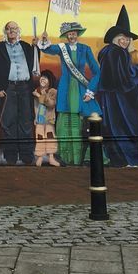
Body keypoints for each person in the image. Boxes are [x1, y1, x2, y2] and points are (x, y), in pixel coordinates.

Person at [96, 6, 138, 167]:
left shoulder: (110, 52)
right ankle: (126, 157)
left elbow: (122, 73)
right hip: (117, 98)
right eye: (122, 37)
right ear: (115, 38)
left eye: (127, 39)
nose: (125, 41)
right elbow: (124, 76)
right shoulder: (116, 52)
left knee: (115, 127)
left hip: (110, 96)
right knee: (121, 126)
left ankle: (119, 159)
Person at [36, 20, 101, 166]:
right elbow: (48, 49)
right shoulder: (61, 47)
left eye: (74, 33)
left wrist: (90, 90)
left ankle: (81, 158)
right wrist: (44, 40)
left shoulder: (85, 49)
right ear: (66, 35)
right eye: (69, 34)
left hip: (81, 89)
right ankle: (65, 158)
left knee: (81, 124)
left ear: (77, 34)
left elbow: (97, 72)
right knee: (64, 124)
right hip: (65, 88)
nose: (71, 36)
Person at [0, 21, 37, 165]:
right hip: (8, 88)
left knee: (26, 122)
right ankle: (10, 156)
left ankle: (27, 155)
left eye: (14, 28)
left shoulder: (28, 47)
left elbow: (35, 63)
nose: (12, 31)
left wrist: (37, 47)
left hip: (25, 88)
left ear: (19, 30)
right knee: (8, 122)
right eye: (9, 29)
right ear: (5, 31)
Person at [32, 70, 61, 166]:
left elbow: (50, 104)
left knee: (50, 136)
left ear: (50, 81)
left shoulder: (52, 92)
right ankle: (39, 157)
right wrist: (35, 117)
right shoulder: (37, 91)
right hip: (40, 120)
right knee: (39, 137)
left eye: (46, 78)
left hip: (49, 120)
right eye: (42, 77)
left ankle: (51, 158)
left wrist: (40, 95)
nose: (43, 79)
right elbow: (36, 105)